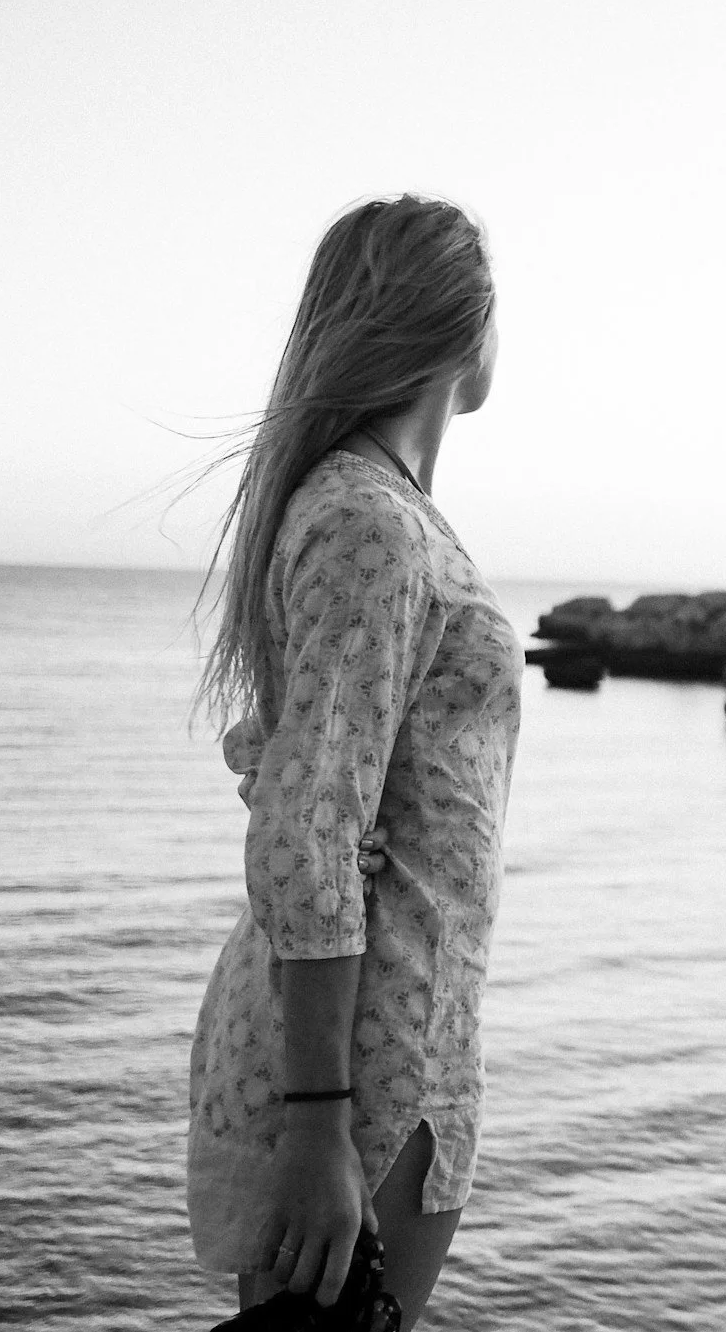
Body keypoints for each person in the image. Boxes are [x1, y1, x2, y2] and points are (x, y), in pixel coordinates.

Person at [186, 195, 519, 1328]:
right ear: (465, 333)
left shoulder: (371, 511)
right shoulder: (369, 522)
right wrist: (321, 1124)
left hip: (387, 1042)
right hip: (362, 1064)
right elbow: (307, 829)